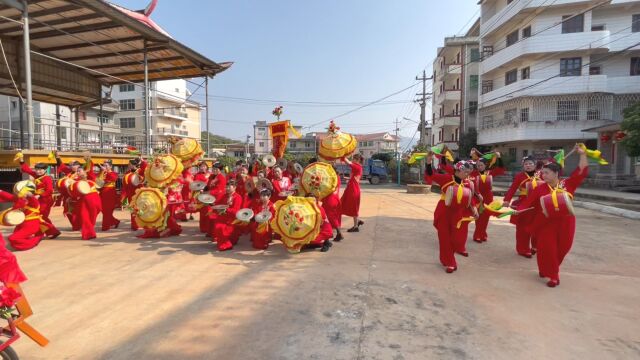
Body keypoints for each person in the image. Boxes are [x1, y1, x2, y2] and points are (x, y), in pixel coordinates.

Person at [514, 144, 589, 287]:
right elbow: (528, 202)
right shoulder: (540, 188)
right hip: (546, 223)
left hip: (566, 222)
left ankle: (548, 268)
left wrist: (583, 154)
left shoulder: (567, 184)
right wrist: (519, 209)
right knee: (547, 249)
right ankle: (554, 276)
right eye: (543, 173)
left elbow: (581, 171)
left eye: (547, 173)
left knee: (563, 249)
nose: (543, 175)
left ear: (556, 173)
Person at [426, 154, 479, 273]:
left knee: (456, 240)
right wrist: (429, 163)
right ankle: (450, 262)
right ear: (457, 170)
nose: (467, 174)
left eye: (468, 171)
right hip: (444, 211)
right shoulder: (446, 178)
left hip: (457, 213)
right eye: (464, 171)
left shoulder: (468, 183)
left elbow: (470, 200)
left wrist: (474, 210)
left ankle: (449, 256)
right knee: (444, 238)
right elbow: (431, 175)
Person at [0, 183, 60, 251]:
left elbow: (32, 199)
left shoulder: (34, 203)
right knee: (14, 240)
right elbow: (9, 196)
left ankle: (35, 240)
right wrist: (1, 191)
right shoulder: (20, 200)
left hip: (31, 225)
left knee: (13, 238)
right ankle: (25, 242)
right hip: (21, 225)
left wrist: (29, 195)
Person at [503, 156, 541, 258]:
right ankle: (523, 249)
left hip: (538, 204)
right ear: (523, 166)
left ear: (535, 165)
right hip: (524, 203)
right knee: (523, 228)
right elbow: (512, 189)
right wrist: (507, 199)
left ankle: (535, 246)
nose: (528, 165)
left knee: (538, 226)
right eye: (526, 164)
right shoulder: (520, 176)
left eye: (530, 163)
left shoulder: (541, 174)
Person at [470, 153, 505, 243]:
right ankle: (477, 235)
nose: (479, 167)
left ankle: (483, 234)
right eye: (478, 165)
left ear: (485, 165)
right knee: (478, 218)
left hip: (488, 199)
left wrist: (499, 157)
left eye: (481, 165)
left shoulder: (491, 173)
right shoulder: (473, 173)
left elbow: (501, 169)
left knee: (486, 218)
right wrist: (471, 157)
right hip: (478, 198)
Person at [210, 180, 243, 251]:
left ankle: (226, 244)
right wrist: (210, 203)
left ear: (234, 187)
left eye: (229, 187)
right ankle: (224, 243)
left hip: (232, 219)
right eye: (226, 187)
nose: (227, 188)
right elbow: (217, 204)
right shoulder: (224, 196)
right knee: (217, 224)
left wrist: (226, 209)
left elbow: (236, 211)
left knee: (221, 227)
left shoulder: (238, 197)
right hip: (223, 217)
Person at [74, 166, 102, 240]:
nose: (78, 172)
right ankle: (88, 234)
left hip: (94, 200)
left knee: (92, 217)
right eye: (77, 171)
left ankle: (90, 232)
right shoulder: (75, 181)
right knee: (84, 217)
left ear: (85, 171)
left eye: (79, 171)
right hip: (83, 202)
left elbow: (99, 182)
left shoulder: (91, 179)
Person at [55, 155, 83, 230]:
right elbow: (62, 165)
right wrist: (57, 158)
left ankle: (78, 225)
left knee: (77, 211)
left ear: (78, 165)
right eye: (70, 165)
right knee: (68, 211)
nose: (71, 166)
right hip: (67, 195)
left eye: (73, 165)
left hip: (77, 195)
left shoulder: (82, 173)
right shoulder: (69, 172)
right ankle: (76, 225)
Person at [340, 154, 364, 232]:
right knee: (349, 205)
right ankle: (357, 221)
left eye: (353, 159)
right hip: (352, 188)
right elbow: (353, 178)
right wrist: (346, 178)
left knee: (353, 207)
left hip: (353, 189)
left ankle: (355, 226)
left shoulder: (357, 166)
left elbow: (349, 163)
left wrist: (343, 156)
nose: (352, 160)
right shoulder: (358, 167)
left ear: (357, 160)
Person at [121, 158, 146, 230]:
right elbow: (125, 185)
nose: (128, 165)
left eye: (129, 164)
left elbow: (145, 168)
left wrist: (143, 161)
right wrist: (123, 196)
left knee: (140, 209)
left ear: (133, 165)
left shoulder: (139, 171)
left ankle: (141, 223)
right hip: (130, 194)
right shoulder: (128, 172)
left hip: (138, 193)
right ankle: (134, 225)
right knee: (132, 210)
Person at [97, 159, 120, 231]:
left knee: (107, 210)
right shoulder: (102, 173)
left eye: (106, 165)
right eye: (104, 165)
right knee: (103, 210)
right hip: (102, 193)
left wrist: (105, 171)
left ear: (111, 166)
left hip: (110, 193)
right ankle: (115, 221)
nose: (104, 167)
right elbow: (98, 181)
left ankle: (105, 227)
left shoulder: (113, 173)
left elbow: (113, 178)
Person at [322, 173, 343, 242]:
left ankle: (338, 233)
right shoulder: (337, 177)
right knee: (333, 216)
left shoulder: (331, 178)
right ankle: (336, 233)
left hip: (330, 199)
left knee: (330, 217)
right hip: (335, 198)